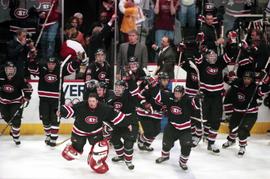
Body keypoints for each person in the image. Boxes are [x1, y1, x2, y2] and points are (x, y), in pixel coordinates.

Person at [58, 93, 128, 174]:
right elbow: (70, 110)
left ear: (97, 101)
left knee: (101, 147)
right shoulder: (80, 106)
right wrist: (60, 111)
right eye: (89, 101)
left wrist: (128, 123)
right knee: (71, 154)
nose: (91, 103)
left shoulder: (103, 108)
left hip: (95, 132)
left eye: (93, 101)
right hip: (79, 132)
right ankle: (72, 147)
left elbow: (114, 114)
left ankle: (94, 161)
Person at [28, 57, 81, 146]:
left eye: (53, 64)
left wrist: (78, 60)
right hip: (44, 99)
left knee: (55, 118)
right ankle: (48, 135)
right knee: (45, 118)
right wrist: (32, 60)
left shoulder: (60, 69)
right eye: (49, 63)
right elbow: (32, 69)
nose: (51, 65)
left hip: (57, 100)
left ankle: (53, 138)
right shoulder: (42, 69)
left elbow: (71, 67)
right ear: (47, 63)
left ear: (55, 64)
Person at [222, 71, 270, 156]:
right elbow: (228, 82)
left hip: (250, 113)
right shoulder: (237, 84)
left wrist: (265, 80)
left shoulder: (255, 87)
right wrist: (229, 75)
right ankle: (231, 140)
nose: (246, 80)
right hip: (237, 111)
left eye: (249, 79)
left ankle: (242, 146)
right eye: (245, 78)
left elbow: (264, 90)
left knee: (242, 131)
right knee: (232, 127)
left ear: (252, 79)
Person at [155, 85, 202, 170]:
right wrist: (164, 109)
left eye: (179, 93)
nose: (176, 95)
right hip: (172, 126)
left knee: (187, 146)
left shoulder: (187, 99)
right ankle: (165, 156)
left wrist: (198, 99)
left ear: (183, 93)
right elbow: (161, 101)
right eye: (175, 93)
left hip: (185, 129)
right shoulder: (170, 97)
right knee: (166, 144)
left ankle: (182, 162)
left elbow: (195, 105)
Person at [194, 49, 232, 153]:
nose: (213, 56)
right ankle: (197, 136)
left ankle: (211, 142)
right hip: (205, 96)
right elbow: (195, 53)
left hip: (217, 97)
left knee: (216, 120)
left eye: (214, 54)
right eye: (210, 55)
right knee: (201, 118)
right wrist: (198, 44)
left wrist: (232, 43)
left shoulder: (220, 63)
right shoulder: (202, 64)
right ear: (206, 57)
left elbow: (230, 53)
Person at [106, 79, 139, 170]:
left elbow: (135, 91)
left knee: (128, 143)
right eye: (116, 86)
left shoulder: (129, 96)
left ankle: (128, 161)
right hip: (118, 123)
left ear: (125, 89)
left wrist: (130, 78)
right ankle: (121, 156)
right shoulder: (111, 97)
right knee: (114, 139)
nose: (117, 89)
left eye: (120, 87)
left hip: (130, 123)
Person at [0, 61, 33, 145]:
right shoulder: (1, 76)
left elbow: (28, 88)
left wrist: (27, 96)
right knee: (6, 117)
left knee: (16, 120)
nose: (10, 70)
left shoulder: (19, 77)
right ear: (5, 69)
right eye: (8, 69)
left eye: (11, 69)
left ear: (14, 69)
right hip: (3, 101)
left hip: (16, 101)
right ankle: (13, 128)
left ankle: (16, 137)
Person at [136, 72, 170, 151]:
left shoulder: (167, 91)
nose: (166, 82)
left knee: (157, 131)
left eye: (167, 80)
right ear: (159, 80)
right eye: (164, 80)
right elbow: (140, 96)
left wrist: (166, 108)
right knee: (149, 132)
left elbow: (164, 101)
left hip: (157, 114)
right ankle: (140, 142)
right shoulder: (150, 87)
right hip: (145, 113)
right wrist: (145, 104)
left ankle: (146, 145)